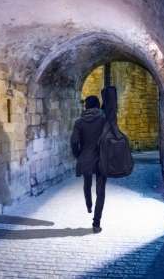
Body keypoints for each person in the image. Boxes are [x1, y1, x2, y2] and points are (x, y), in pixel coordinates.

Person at [70, 95, 107, 233]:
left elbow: (74, 141)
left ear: (85, 106)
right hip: (102, 159)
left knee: (87, 183)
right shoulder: (104, 120)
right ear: (97, 106)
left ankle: (89, 205)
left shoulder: (79, 122)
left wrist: (78, 155)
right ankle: (96, 223)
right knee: (101, 191)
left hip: (85, 158)